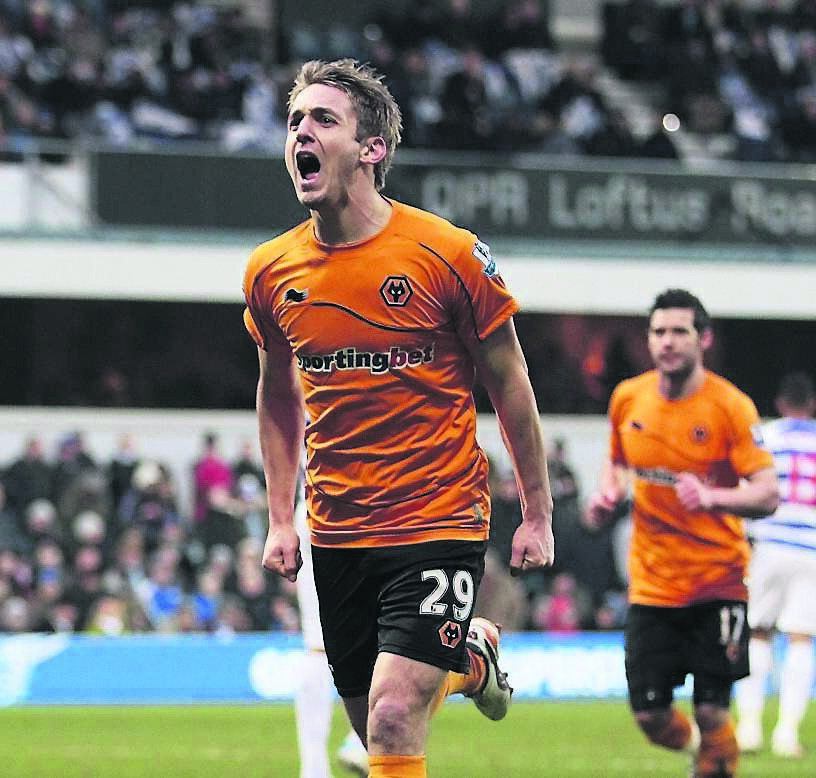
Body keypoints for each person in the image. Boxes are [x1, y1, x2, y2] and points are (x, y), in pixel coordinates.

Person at [242, 58, 554, 778]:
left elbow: (510, 385)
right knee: (374, 724)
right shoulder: (270, 271)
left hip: (436, 518)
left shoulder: (447, 254)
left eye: (323, 119)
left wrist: (536, 511)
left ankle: (457, 657)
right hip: (340, 531)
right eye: (294, 122)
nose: (301, 134)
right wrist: (282, 518)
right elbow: (278, 396)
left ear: (372, 149)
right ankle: (470, 662)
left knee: (389, 715)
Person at [585, 288, 779, 778]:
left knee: (713, 708)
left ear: (704, 339)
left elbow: (768, 494)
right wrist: (609, 493)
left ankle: (716, 760)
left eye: (679, 331)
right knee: (650, 717)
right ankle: (704, 753)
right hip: (652, 587)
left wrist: (713, 497)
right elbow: (616, 463)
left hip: (718, 582)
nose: (667, 342)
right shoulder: (628, 397)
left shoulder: (731, 407)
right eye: (658, 332)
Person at [735, 371, 816, 758]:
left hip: (768, 544)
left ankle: (749, 729)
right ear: (812, 404)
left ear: (781, 404)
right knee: (801, 637)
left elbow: (745, 486)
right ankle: (786, 734)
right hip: (811, 550)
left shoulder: (767, 436)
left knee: (758, 632)